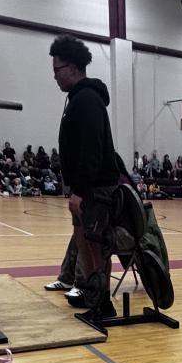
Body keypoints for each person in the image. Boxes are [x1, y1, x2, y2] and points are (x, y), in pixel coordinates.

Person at [50, 34, 121, 323]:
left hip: (95, 190)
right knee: (86, 246)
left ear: (72, 68)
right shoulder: (79, 99)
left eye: (57, 69)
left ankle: (103, 305)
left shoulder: (87, 99)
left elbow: (91, 149)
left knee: (94, 248)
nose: (55, 76)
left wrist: (79, 191)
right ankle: (95, 299)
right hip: (88, 189)